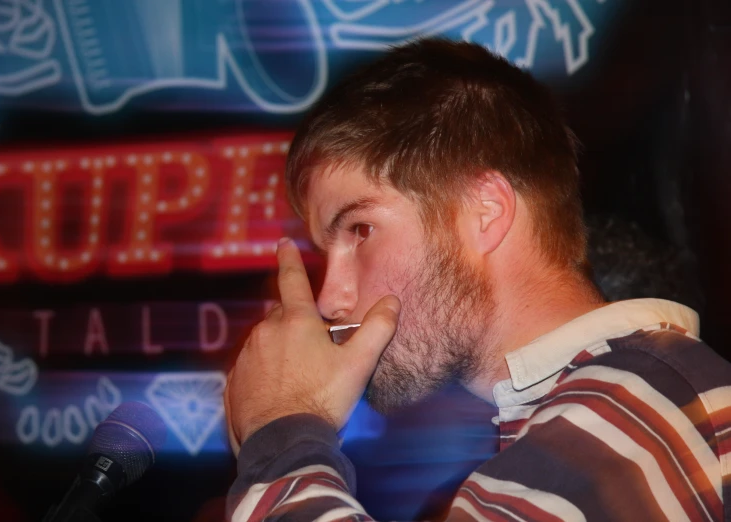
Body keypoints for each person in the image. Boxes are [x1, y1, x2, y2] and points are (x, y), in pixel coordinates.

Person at [224, 38, 731, 521]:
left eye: (361, 229)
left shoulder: (635, 408)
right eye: (325, 253)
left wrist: (281, 432)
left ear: (485, 212)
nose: (332, 298)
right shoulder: (605, 410)